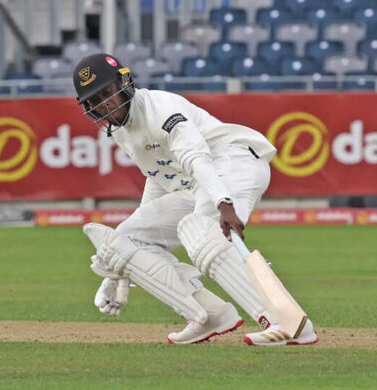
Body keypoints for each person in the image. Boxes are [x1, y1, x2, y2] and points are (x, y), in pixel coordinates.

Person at [73, 53, 317, 346]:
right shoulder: (121, 132)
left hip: (233, 162)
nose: (104, 104)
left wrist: (224, 203)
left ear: (124, 83)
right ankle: (209, 314)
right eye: (95, 100)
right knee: (126, 239)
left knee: (201, 232)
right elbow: (158, 176)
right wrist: (119, 269)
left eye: (107, 93)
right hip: (196, 183)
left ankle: (287, 324)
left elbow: (196, 157)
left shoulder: (161, 109)